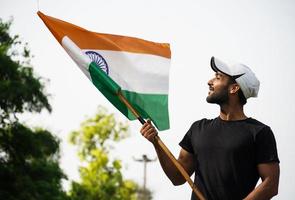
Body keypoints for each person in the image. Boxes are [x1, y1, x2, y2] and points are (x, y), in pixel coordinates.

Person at [140, 57, 280, 200]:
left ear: (234, 88)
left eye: (218, 77)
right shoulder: (198, 128)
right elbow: (178, 177)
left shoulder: (260, 132)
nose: (210, 82)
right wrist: (156, 142)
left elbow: (271, 184)